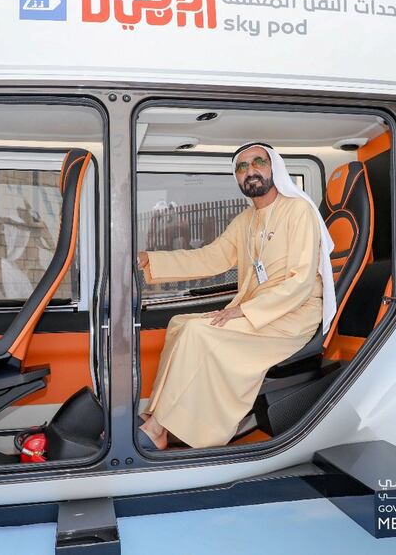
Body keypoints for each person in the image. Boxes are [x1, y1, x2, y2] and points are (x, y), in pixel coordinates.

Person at [136, 142, 336, 450]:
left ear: (274, 169)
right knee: (179, 323)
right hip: (259, 314)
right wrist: (153, 260)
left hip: (292, 317)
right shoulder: (246, 220)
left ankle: (158, 429)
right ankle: (159, 418)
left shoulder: (299, 211)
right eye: (242, 167)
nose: (250, 171)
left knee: (197, 333)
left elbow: (300, 283)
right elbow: (210, 258)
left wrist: (243, 311)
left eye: (258, 162)